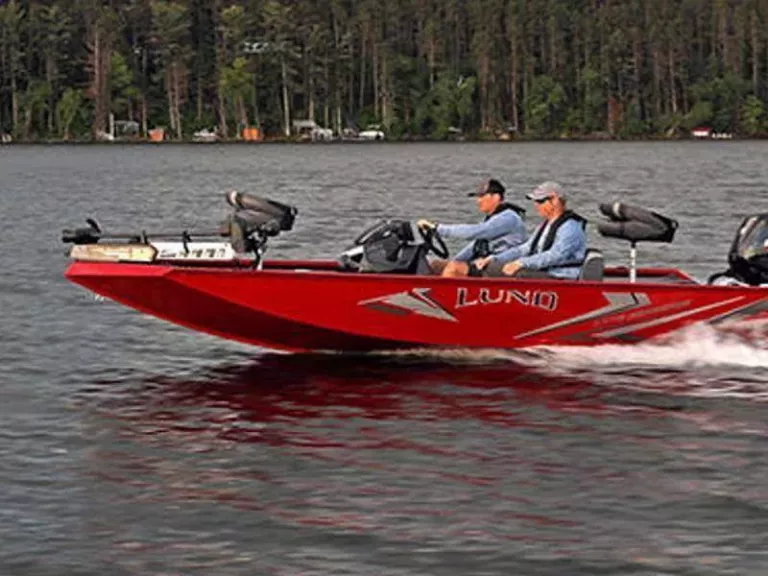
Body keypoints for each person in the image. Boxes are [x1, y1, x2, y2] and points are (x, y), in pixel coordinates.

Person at [474, 181, 587, 279]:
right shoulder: (546, 224)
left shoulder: (570, 227)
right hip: (545, 271)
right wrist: (495, 258)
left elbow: (555, 255)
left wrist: (521, 263)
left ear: (555, 200)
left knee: (516, 273)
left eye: (540, 201)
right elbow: (525, 249)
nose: (536, 205)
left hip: (560, 276)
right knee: (492, 266)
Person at [417, 178, 527, 277]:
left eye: (482, 196)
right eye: (478, 197)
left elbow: (476, 232)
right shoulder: (491, 218)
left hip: (503, 267)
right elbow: (475, 246)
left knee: (454, 269)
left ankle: (441, 297)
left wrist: (438, 229)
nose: (478, 201)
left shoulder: (508, 217)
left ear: (496, 197)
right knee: (435, 265)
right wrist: (456, 260)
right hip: (484, 264)